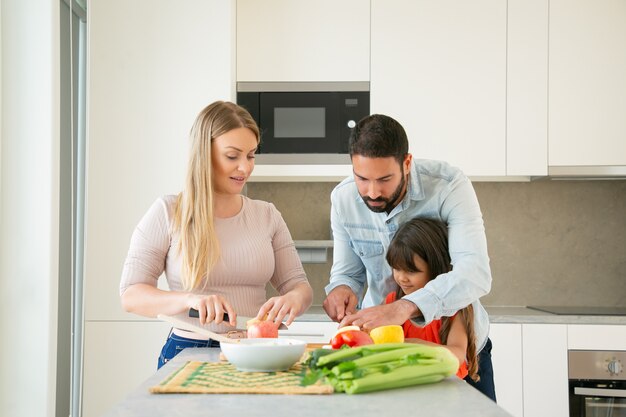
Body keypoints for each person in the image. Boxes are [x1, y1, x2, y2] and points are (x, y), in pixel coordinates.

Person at [120, 101, 313, 369]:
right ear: (204, 154)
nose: (245, 168)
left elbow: (300, 286)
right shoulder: (168, 211)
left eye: (251, 155)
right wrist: (189, 299)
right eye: (232, 156)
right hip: (189, 350)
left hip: (257, 351)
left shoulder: (267, 215)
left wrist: (293, 299)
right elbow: (131, 296)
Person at [322, 113, 496, 401]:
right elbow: (347, 274)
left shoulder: (448, 186)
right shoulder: (342, 199)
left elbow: (475, 272)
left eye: (385, 179)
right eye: (362, 178)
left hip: (457, 353)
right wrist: (341, 290)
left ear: (407, 163)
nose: (373, 191)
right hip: (383, 351)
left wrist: (403, 308)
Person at [385, 217, 478, 382]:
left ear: (436, 268)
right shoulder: (393, 302)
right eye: (396, 268)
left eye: (411, 271)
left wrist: (410, 345)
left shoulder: (456, 306)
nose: (401, 278)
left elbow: (457, 355)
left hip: (446, 388)